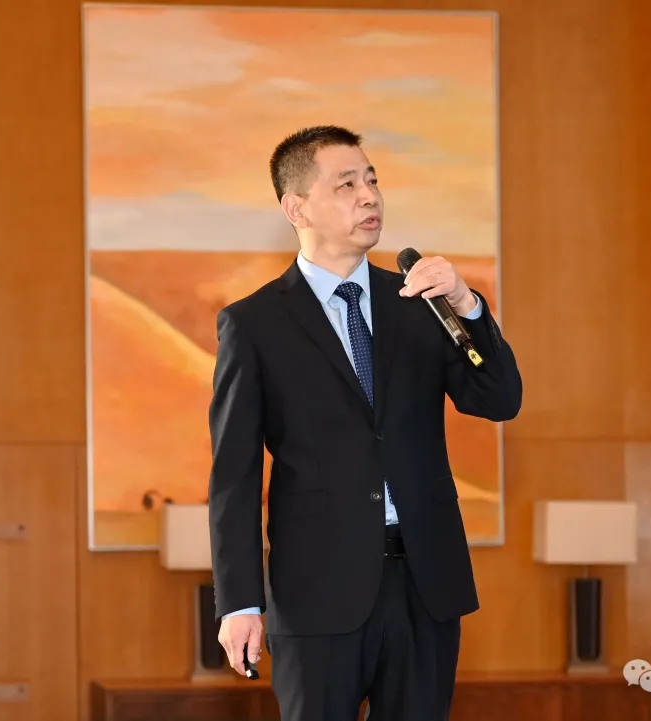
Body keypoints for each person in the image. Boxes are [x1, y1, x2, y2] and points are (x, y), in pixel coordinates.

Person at [207, 125, 522, 721]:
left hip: (426, 585)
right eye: (346, 184)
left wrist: (467, 304)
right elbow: (234, 476)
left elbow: (500, 399)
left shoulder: (420, 304)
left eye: (372, 180)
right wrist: (240, 602)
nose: (370, 196)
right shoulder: (254, 325)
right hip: (316, 592)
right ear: (296, 208)